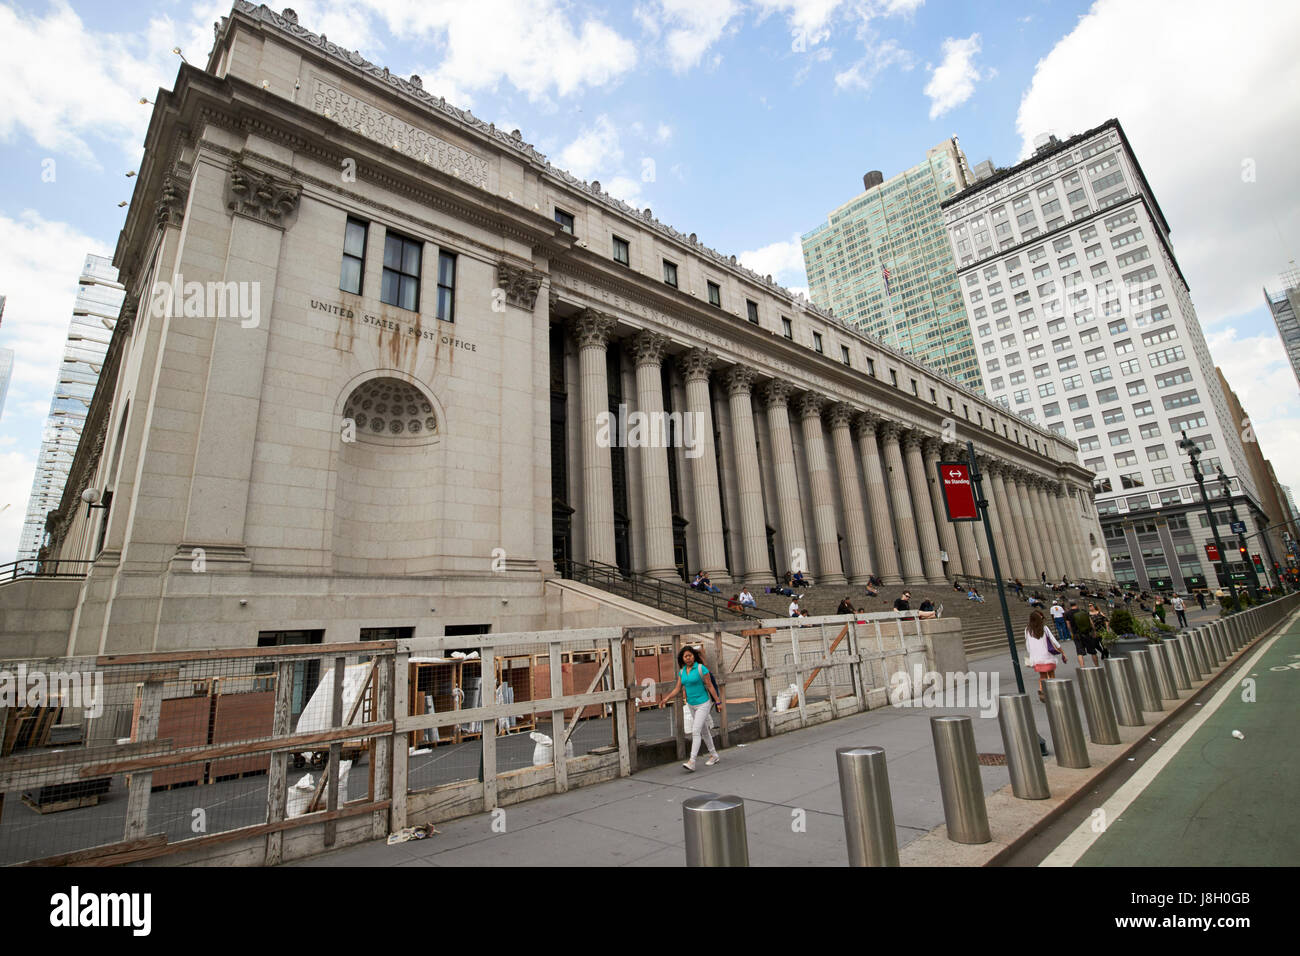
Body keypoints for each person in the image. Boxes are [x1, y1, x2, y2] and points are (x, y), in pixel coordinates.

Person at [658, 646, 720, 771]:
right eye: (685, 656)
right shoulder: (682, 672)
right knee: (704, 731)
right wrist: (666, 698)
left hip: (703, 703)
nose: (688, 658)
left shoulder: (701, 668)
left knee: (696, 731)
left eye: (690, 655)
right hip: (691, 704)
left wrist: (718, 702)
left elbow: (710, 686)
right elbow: (677, 688)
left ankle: (692, 761)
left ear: (694, 656)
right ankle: (714, 755)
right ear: (682, 658)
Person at [1025, 609, 1067, 701]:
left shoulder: (1028, 630)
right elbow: (1054, 641)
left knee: (1042, 676)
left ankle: (1041, 690)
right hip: (1047, 656)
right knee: (1051, 673)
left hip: (1036, 657)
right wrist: (1062, 651)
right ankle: (1053, 690)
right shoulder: (1044, 628)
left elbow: (1027, 645)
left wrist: (1031, 655)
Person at [1068, 600, 1101, 667]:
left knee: (1079, 652)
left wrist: (1071, 633)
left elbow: (1068, 625)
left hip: (1076, 634)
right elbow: (1091, 622)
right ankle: (1097, 666)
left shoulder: (1067, 613)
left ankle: (1082, 667)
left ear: (1070, 605)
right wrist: (1094, 631)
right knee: (1092, 651)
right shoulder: (1083, 611)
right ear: (1076, 604)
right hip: (1087, 633)